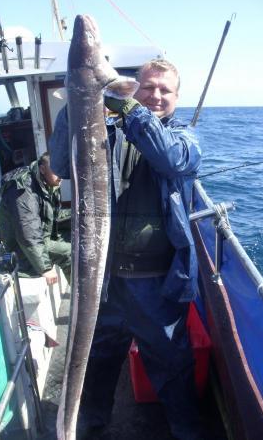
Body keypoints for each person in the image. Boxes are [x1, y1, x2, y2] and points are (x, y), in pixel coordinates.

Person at [49, 59, 202, 439]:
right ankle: (88, 429)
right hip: (104, 283)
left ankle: (188, 433)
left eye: (164, 90)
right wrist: (78, 100)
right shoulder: (109, 134)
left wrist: (130, 108)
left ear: (177, 98)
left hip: (156, 287)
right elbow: (59, 163)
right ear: (134, 86)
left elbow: (171, 159)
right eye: (147, 87)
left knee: (172, 368)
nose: (155, 96)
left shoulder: (185, 138)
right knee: (97, 365)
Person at [0, 152, 71, 285]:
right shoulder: (24, 190)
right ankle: (82, 301)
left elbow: (53, 215)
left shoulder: (48, 183)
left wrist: (78, 215)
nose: (61, 176)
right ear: (42, 169)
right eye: (56, 170)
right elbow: (28, 232)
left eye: (62, 170)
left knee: (76, 238)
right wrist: (45, 268)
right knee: (70, 252)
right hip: (22, 249)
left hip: (41, 235)